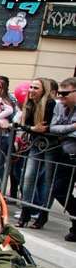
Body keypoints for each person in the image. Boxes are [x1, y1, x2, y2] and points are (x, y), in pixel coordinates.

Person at [17, 78, 57, 228]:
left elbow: (46, 127)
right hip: (35, 144)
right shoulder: (29, 103)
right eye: (31, 87)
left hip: (51, 146)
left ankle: (43, 215)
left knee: (48, 181)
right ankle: (25, 212)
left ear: (44, 91)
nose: (31, 90)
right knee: (27, 177)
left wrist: (33, 128)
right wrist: (33, 128)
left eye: (36, 88)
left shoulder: (50, 104)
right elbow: (24, 125)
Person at [49, 77, 76, 241]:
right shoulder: (60, 107)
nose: (61, 96)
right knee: (59, 190)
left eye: (65, 93)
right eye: (59, 93)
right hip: (66, 156)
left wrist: (63, 132)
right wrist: (72, 127)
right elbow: (53, 128)